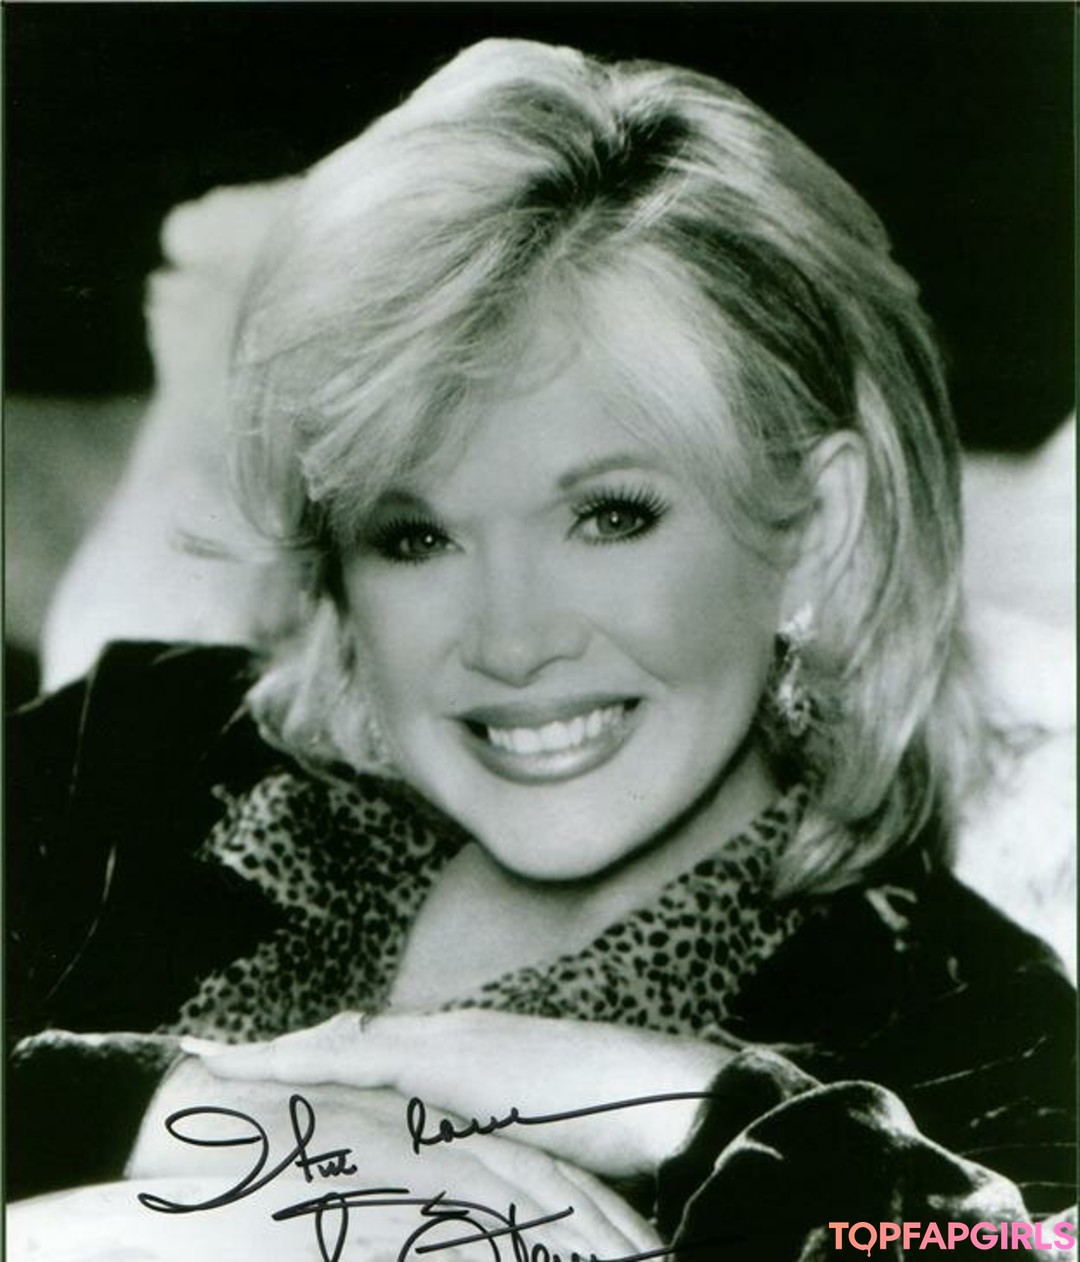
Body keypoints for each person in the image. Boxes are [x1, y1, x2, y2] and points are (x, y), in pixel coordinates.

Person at [8, 38, 1075, 1261]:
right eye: (415, 535)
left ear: (816, 530)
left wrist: (681, 1103)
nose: (511, 642)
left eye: (610, 516)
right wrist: (174, 1113)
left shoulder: (963, 1028)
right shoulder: (127, 755)